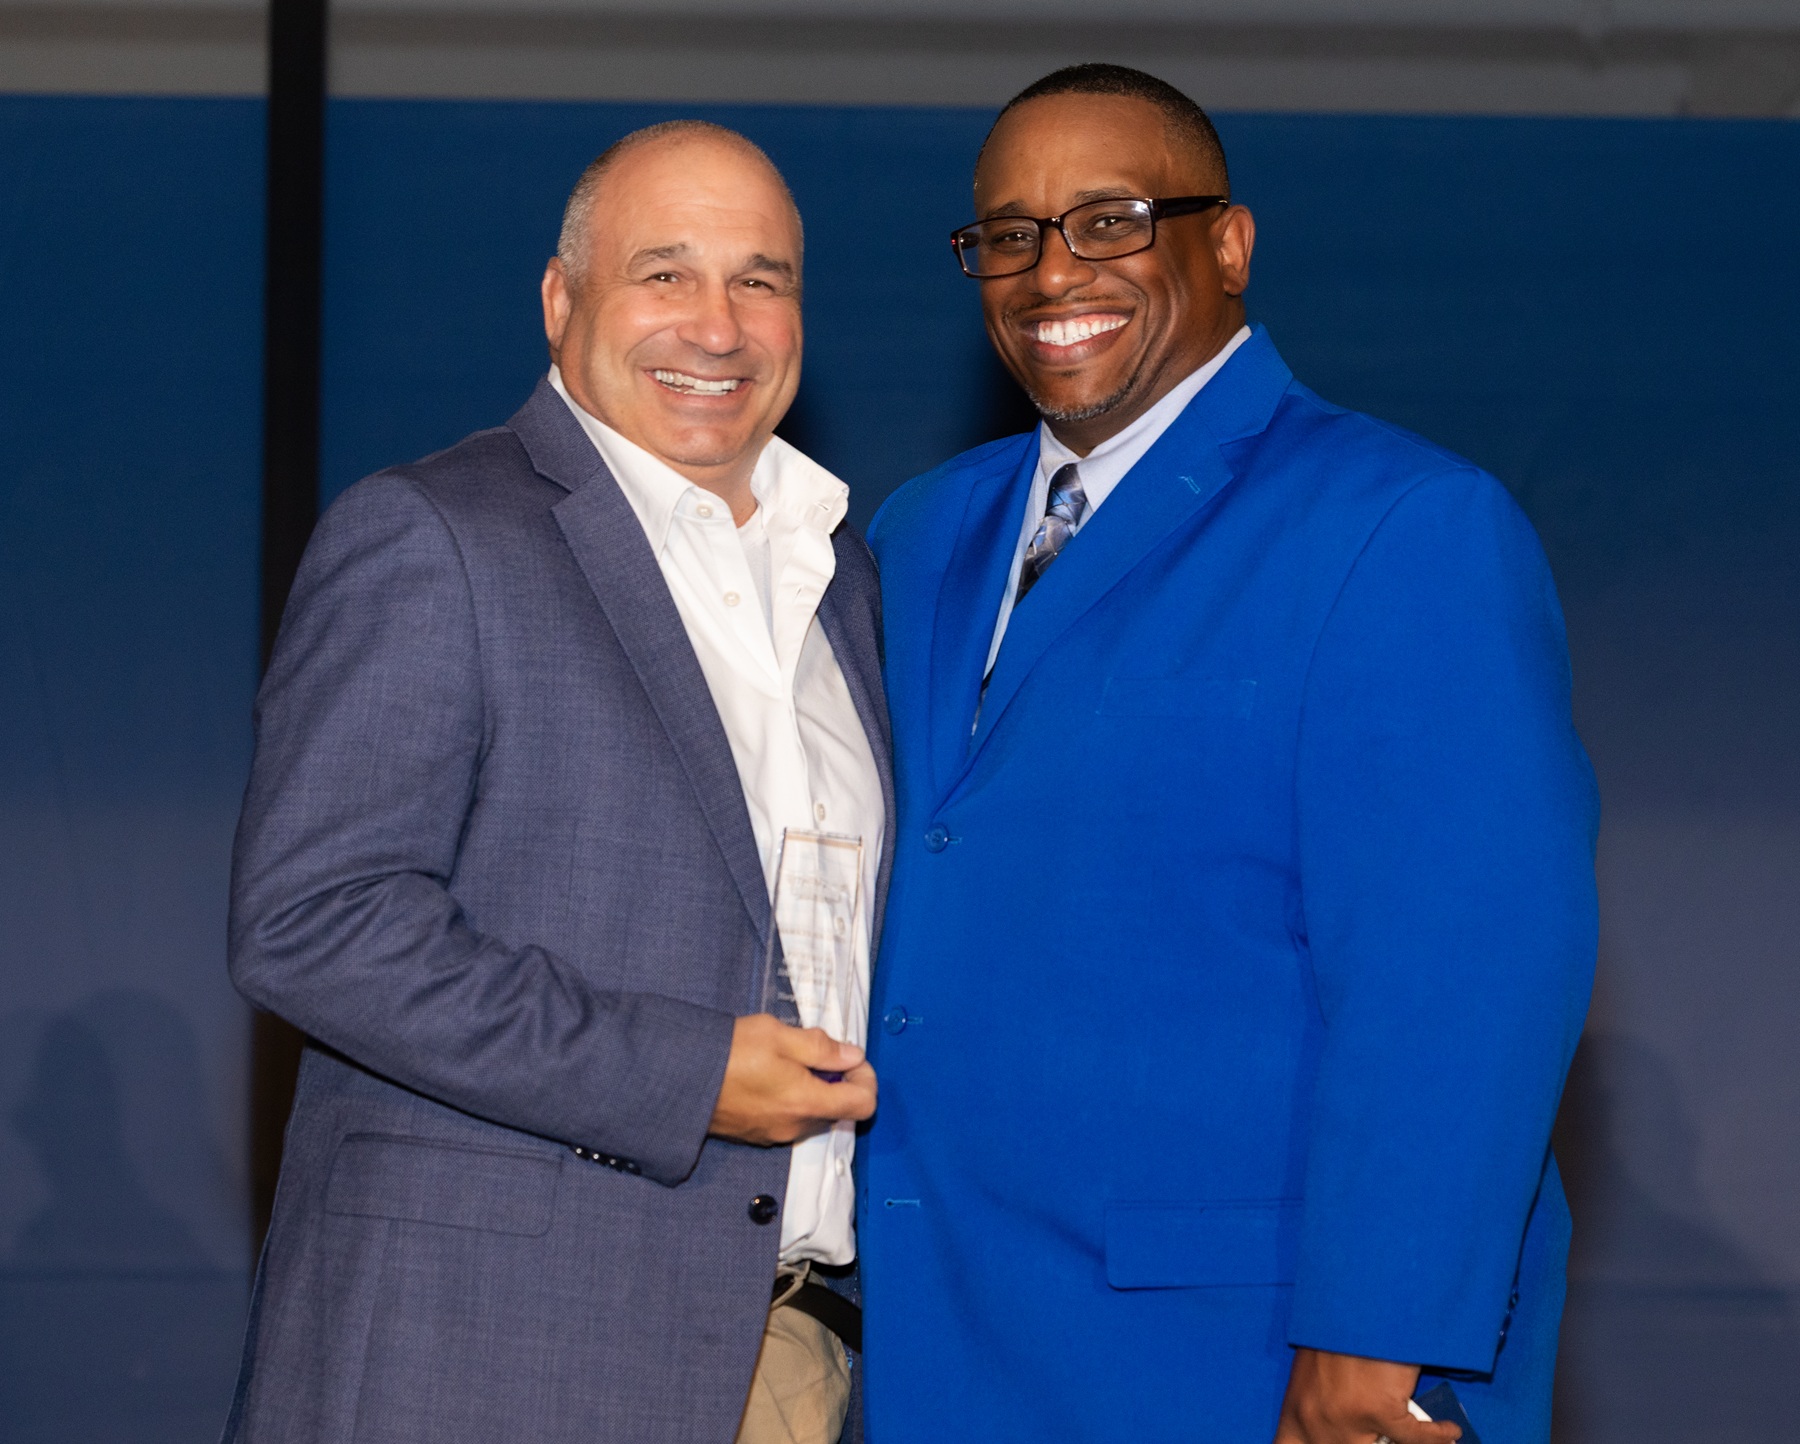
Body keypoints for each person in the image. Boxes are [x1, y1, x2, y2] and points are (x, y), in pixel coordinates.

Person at [858, 64, 1596, 1444]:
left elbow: (1469, 965)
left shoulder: (1402, 524)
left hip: (1245, 1357)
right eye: (1007, 233)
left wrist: (1373, 1336)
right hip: (929, 1333)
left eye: (1109, 220)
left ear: (1230, 243)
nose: (1049, 269)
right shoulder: (917, 532)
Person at [223, 120, 890, 1444]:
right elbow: (313, 921)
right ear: (560, 297)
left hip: (788, 1354)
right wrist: (685, 1074)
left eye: (761, 278)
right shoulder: (433, 534)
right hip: (479, 1353)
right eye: (666, 272)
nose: (717, 324)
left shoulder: (846, 584)